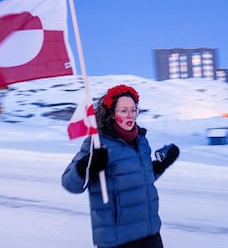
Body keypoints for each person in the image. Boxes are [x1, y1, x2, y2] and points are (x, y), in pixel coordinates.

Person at [62, 84, 179, 248]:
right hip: (119, 240)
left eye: (133, 110)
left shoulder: (141, 141)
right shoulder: (97, 142)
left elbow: (139, 179)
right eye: (123, 111)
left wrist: (160, 165)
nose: (130, 115)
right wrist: (86, 167)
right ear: (112, 114)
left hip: (150, 234)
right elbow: (70, 183)